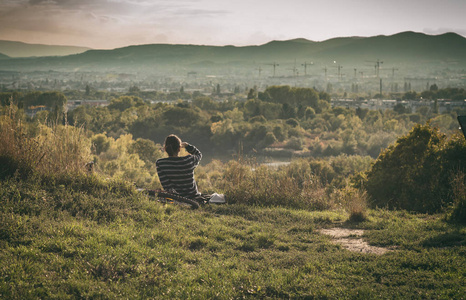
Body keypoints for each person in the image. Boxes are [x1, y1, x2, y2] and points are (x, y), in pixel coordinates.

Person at [156, 134, 207, 203]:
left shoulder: (160, 163)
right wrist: (187, 146)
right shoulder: (188, 160)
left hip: (175, 198)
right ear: (179, 149)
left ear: (165, 149)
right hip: (193, 197)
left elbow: (167, 186)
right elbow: (198, 154)